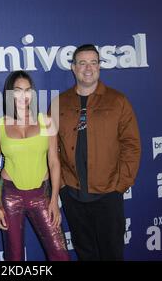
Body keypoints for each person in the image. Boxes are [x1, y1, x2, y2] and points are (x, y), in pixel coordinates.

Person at [53, 44, 141, 261]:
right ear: (73, 68)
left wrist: (121, 184)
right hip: (73, 194)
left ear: (99, 66)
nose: (88, 68)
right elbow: (51, 147)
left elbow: (131, 144)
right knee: (85, 254)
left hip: (108, 194)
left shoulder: (118, 101)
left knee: (112, 254)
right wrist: (62, 185)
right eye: (82, 63)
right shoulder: (58, 103)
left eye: (93, 62)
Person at [0, 71, 70, 261]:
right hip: (10, 196)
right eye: (18, 91)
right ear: (9, 93)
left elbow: (54, 162)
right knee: (14, 256)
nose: (24, 96)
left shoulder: (47, 122)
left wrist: (54, 201)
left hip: (42, 195)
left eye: (27, 90)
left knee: (60, 254)